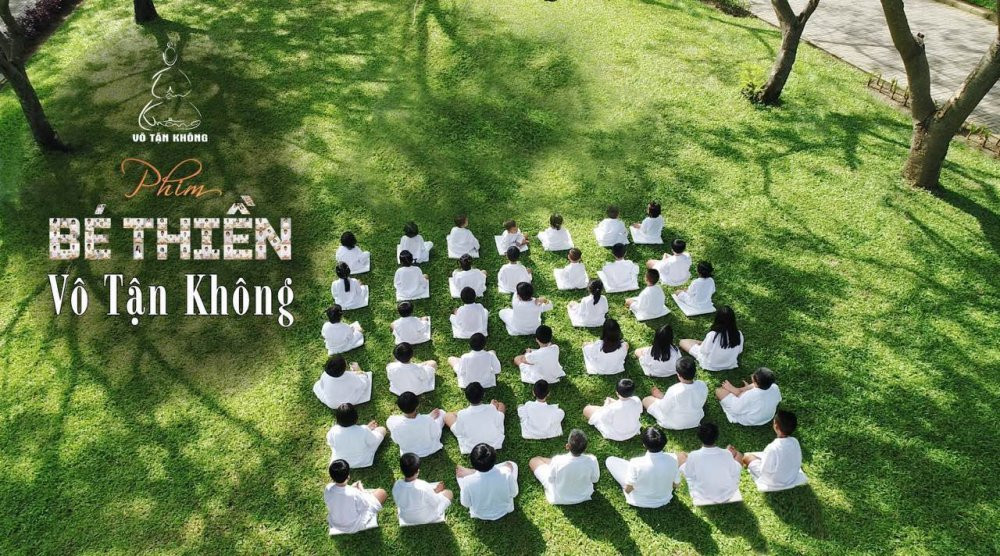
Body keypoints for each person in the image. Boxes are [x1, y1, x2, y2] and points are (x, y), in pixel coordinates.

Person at [732, 410, 807, 491]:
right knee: (760, 456)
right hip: (791, 477)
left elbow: (764, 470)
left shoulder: (772, 447)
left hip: (774, 481)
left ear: (776, 426)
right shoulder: (795, 441)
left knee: (747, 457)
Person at [605, 427, 680, 508]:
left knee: (610, 460)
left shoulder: (636, 463)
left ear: (644, 445)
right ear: (664, 443)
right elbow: (676, 484)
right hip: (664, 499)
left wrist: (626, 492)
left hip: (639, 500)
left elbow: (629, 488)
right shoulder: (674, 460)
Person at [677, 422, 743, 505]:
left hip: (702, 495)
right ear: (717, 436)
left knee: (681, 455)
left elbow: (689, 474)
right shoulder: (727, 453)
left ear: (699, 437)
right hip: (727, 494)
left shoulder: (693, 455)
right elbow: (734, 472)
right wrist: (729, 453)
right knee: (738, 454)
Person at [529, 429, 600, 505]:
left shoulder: (557, 460)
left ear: (567, 446)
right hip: (584, 495)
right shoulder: (592, 460)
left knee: (534, 460)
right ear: (585, 448)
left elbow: (550, 480)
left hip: (559, 497)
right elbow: (595, 480)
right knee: (551, 463)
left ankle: (548, 463)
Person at [456, 443, 519, 521]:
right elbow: (514, 493)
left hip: (480, 514)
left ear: (472, 463)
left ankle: (472, 472)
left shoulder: (467, 482)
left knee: (460, 475)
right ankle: (473, 472)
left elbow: (466, 503)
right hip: (505, 509)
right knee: (512, 465)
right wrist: (507, 469)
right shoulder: (506, 474)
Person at [324, 459, 387, 535]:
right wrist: (361, 491)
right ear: (348, 476)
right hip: (353, 526)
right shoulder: (354, 493)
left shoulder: (328, 488)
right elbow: (364, 507)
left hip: (335, 523)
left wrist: (352, 489)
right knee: (382, 493)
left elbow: (339, 497)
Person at [643, 356, 707, 430]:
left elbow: (664, 409)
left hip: (674, 423)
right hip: (695, 420)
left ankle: (663, 398)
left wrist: (661, 397)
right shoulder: (702, 385)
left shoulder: (674, 390)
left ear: (678, 374)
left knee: (646, 400)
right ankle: (664, 398)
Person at [393, 453, 453, 526]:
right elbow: (435, 503)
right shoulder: (423, 486)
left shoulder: (397, 485)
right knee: (448, 493)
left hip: (405, 518)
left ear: (401, 470)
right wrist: (436, 491)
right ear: (417, 471)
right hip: (426, 518)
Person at [445, 382, 506, 454]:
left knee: (447, 416)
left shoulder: (462, 414)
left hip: (471, 446)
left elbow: (459, 431)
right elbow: (498, 420)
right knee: (501, 405)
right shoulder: (491, 408)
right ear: (484, 394)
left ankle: (455, 414)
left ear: (466, 397)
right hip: (494, 442)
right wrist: (492, 406)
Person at [680, 306, 743, 371]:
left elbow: (703, 351)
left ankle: (703, 343)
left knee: (683, 342)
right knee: (702, 343)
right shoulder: (739, 334)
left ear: (717, 319)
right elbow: (740, 351)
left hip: (711, 364)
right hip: (729, 363)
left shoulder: (713, 335)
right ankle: (704, 343)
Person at [326, 403, 386, 468]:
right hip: (363, 460)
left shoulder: (333, 430)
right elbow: (373, 442)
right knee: (382, 429)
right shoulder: (363, 430)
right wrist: (368, 430)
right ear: (356, 418)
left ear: (337, 419)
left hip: (342, 461)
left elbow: (331, 443)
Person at [716, 367, 781, 426]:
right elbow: (778, 399)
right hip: (768, 416)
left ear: (756, 383)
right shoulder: (775, 387)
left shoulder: (751, 395)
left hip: (750, 419)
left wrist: (732, 389)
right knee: (748, 390)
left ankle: (738, 391)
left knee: (719, 391)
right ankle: (740, 390)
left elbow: (736, 409)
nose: (752, 375)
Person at [386, 392, 445, 457]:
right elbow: (436, 433)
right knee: (441, 412)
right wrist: (430, 418)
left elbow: (396, 440)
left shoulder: (393, 423)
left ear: (399, 407)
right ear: (418, 405)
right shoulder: (428, 420)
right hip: (429, 449)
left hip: (408, 452)